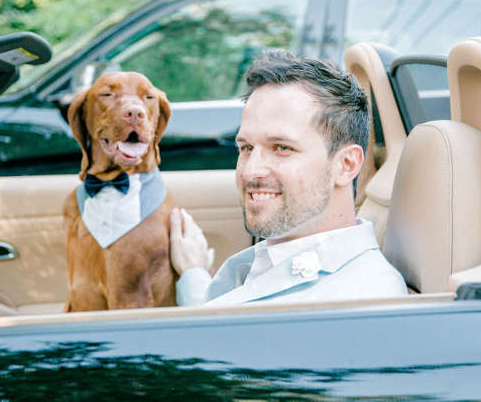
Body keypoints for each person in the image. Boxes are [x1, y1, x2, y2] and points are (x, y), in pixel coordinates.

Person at [169, 50, 407, 307]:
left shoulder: (356, 304)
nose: (251, 171)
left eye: (282, 148)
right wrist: (193, 274)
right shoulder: (272, 260)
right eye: (246, 148)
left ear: (345, 165)